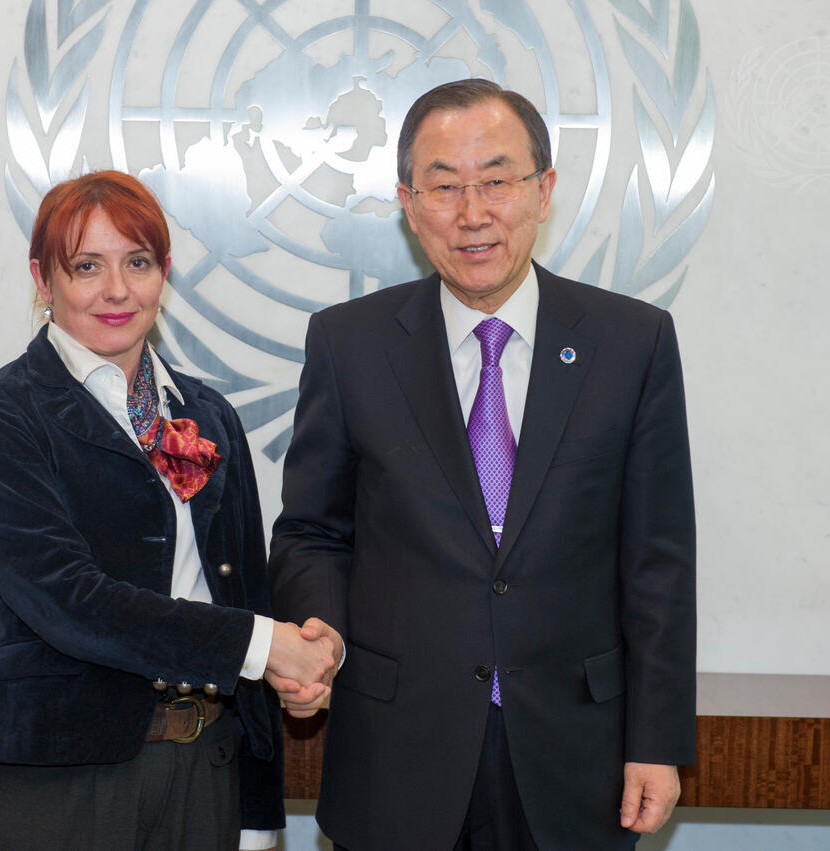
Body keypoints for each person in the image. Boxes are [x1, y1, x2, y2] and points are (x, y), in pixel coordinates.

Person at [269, 79, 696, 850]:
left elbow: (658, 560)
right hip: (397, 751)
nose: (472, 213)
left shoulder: (631, 343)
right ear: (409, 204)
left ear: (544, 190)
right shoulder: (349, 343)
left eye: (497, 181)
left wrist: (657, 738)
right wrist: (319, 629)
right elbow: (312, 532)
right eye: (444, 187)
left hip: (576, 753)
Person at [0, 170, 336, 850]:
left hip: (206, 765)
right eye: (86, 266)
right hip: (62, 775)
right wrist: (263, 645)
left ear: (165, 273)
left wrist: (257, 812)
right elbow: (70, 601)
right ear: (43, 279)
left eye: (138, 262)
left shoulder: (206, 412)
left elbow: (243, 589)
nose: (117, 289)